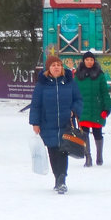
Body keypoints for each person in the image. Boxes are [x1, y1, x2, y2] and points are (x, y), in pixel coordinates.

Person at [30, 54, 83, 193]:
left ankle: (62, 179)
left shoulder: (70, 82)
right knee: (53, 151)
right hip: (47, 123)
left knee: (64, 150)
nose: (56, 67)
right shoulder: (41, 85)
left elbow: (78, 100)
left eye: (59, 65)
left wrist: (73, 111)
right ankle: (57, 178)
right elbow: (35, 105)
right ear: (48, 69)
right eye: (53, 65)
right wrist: (35, 123)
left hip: (66, 123)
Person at [74, 50, 111, 166]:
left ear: (94, 61)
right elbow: (73, 92)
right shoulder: (78, 75)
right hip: (83, 108)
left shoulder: (100, 75)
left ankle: (99, 157)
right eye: (87, 60)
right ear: (83, 61)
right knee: (84, 133)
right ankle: (87, 157)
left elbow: (105, 92)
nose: (89, 62)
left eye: (91, 60)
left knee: (97, 133)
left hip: (97, 108)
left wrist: (107, 108)